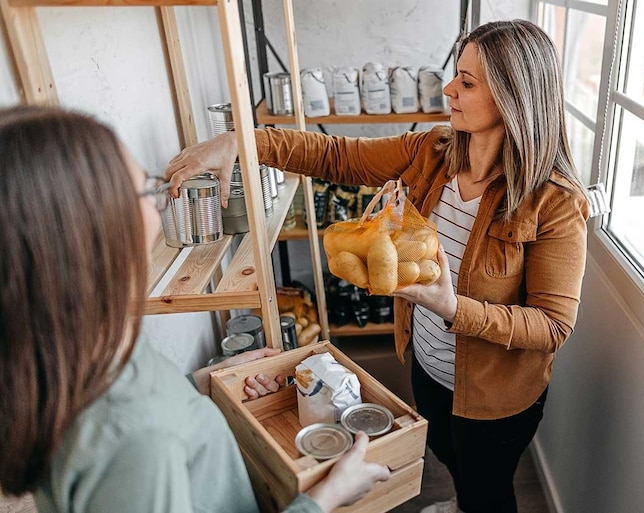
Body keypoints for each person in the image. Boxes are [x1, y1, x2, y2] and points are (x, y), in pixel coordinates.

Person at [166, 19, 589, 513]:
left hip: (497, 398)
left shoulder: (556, 203)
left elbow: (553, 325)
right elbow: (337, 155)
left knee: (488, 489)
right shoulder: (431, 152)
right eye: (456, 74)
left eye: (467, 83)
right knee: (449, 457)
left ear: (514, 99)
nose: (449, 89)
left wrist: (454, 308)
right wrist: (244, 142)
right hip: (428, 365)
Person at [0, 106, 390, 513]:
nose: (161, 206)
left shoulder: (75, 343)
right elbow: (129, 433)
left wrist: (198, 386)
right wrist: (323, 498)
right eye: (149, 192)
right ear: (93, 232)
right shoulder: (138, 442)